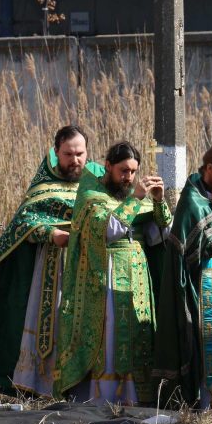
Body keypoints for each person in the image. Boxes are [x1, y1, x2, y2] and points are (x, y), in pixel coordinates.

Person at [0, 125, 101, 396]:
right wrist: (50, 232)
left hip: (90, 267)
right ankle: (46, 384)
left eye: (80, 154)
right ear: (56, 153)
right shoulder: (44, 184)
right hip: (54, 266)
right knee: (55, 325)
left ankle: (85, 385)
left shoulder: (96, 180)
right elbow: (25, 220)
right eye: (68, 154)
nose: (75, 160)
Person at [53, 141, 171, 405]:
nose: (128, 177)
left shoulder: (135, 197)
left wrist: (160, 201)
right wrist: (136, 198)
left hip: (138, 274)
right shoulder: (92, 195)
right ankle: (104, 397)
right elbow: (107, 231)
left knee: (138, 334)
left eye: (132, 171)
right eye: (123, 171)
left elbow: (160, 234)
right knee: (111, 332)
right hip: (104, 273)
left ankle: (135, 397)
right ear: (108, 166)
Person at [153, 143, 212, 409]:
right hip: (203, 287)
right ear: (210, 168)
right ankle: (209, 403)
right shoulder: (192, 202)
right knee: (210, 345)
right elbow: (185, 257)